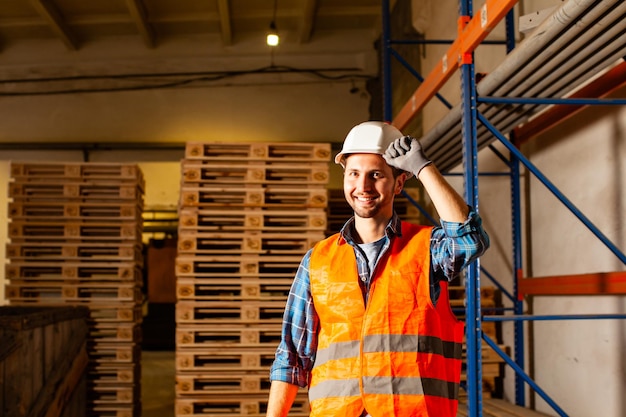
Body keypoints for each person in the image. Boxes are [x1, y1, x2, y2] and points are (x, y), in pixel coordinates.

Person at [266, 121, 490, 417]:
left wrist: (423, 168)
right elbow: (292, 356)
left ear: (398, 183)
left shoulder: (427, 248)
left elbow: (470, 241)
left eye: (376, 175)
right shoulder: (317, 260)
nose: (363, 187)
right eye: (354, 174)